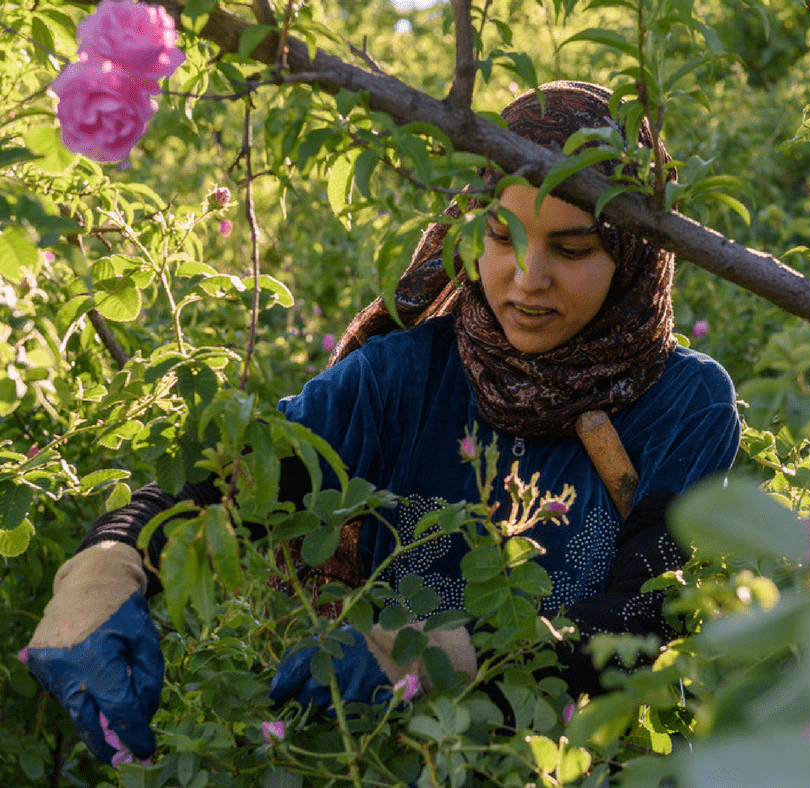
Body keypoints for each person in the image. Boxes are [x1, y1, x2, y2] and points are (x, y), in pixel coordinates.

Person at [26, 81, 740, 764]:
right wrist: (106, 567)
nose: (527, 277)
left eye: (573, 248)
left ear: (635, 257)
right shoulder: (404, 377)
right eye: (501, 235)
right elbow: (235, 478)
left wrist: (434, 657)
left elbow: (644, 617)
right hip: (387, 757)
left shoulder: (682, 402)